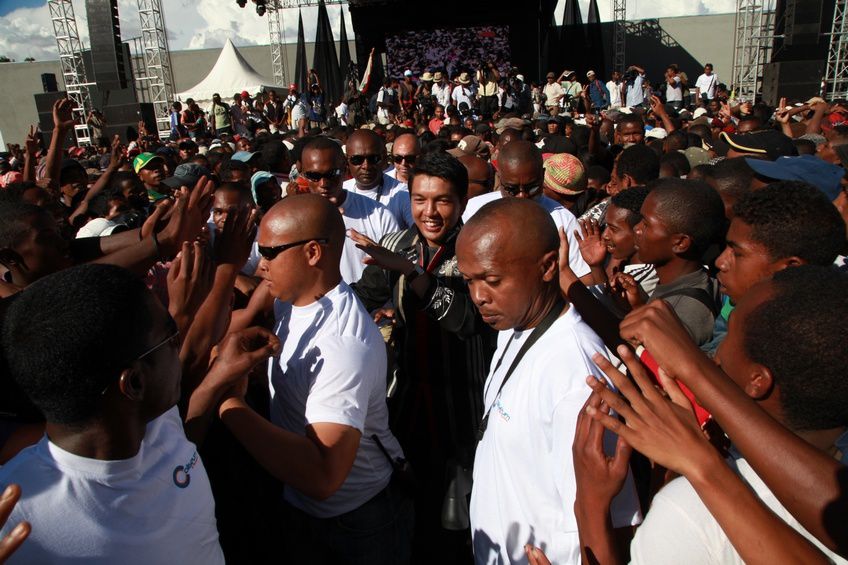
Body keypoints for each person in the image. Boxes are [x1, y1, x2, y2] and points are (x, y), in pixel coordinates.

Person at [0, 263, 276, 564]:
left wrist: (218, 378)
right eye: (171, 337)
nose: (178, 345)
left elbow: (181, 453)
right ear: (133, 383)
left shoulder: (153, 422)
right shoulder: (15, 517)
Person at [576, 265, 848, 564]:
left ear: (758, 380)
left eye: (729, 331)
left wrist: (590, 507)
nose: (715, 354)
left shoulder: (687, 515)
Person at [218, 194, 413, 565]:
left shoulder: (342, 345)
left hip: (354, 524)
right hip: (304, 509)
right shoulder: (290, 300)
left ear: (312, 253)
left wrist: (228, 402)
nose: (260, 264)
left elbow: (324, 474)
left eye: (270, 251)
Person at [456, 198, 641, 564]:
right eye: (469, 281)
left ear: (546, 267)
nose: (478, 296)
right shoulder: (515, 322)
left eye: (492, 280)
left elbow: (607, 520)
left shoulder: (577, 372)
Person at [351, 151, 494, 564]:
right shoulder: (397, 245)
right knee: (410, 513)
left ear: (462, 203)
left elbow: (467, 320)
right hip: (408, 404)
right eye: (419, 199)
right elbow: (363, 298)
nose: (429, 212)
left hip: (463, 411)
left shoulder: (480, 250)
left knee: (456, 523)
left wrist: (411, 274)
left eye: (442, 201)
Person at [613, 178, 725, 347]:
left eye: (646, 224)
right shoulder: (680, 281)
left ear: (680, 243)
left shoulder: (687, 311)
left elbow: (649, 364)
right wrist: (638, 306)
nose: (637, 228)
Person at [461, 140, 591, 279]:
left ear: (542, 175)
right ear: (500, 177)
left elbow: (584, 282)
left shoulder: (564, 223)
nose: (522, 196)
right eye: (512, 189)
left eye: (532, 187)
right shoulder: (475, 210)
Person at [301, 137, 399, 283]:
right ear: (302, 174)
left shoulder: (379, 214)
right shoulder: (292, 220)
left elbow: (398, 269)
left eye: (331, 174)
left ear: (344, 170)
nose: (323, 183)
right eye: (314, 176)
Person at [343, 129, 413, 229]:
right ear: (347, 160)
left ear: (384, 156)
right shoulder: (341, 191)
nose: (366, 166)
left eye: (373, 159)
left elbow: (419, 234)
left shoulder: (402, 194)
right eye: (357, 160)